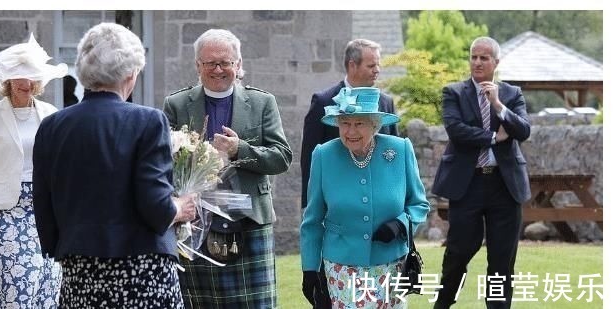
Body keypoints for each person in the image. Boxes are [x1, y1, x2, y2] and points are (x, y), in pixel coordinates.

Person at [32, 22, 197, 308]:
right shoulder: (148, 121)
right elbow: (156, 206)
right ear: (131, 74)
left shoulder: (51, 126)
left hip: (80, 269)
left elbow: (43, 206)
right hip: (141, 270)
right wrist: (181, 207)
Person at [163, 28, 292, 308]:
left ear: (238, 64)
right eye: (210, 63)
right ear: (198, 65)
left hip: (249, 222)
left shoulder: (262, 102)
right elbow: (162, 163)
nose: (218, 69)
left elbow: (282, 157)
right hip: (195, 223)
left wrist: (238, 150)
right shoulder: (176, 104)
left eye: (225, 62)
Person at [300, 86, 430, 308]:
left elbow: (419, 204)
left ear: (375, 125)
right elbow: (312, 221)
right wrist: (310, 270)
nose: (350, 132)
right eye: (345, 123)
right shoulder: (324, 155)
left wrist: (400, 225)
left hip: (391, 265)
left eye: (358, 123)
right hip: (341, 266)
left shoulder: (400, 150)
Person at [0, 33, 67, 308]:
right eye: (19, 76)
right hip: (4, 212)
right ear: (8, 80)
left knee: (45, 278)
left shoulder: (50, 113)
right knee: (18, 278)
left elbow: (57, 163)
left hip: (42, 207)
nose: (26, 83)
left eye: (31, 77)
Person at [431, 37, 531, 309]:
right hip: (468, 184)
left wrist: (498, 105)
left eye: (484, 58)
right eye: (473, 57)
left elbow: (523, 130)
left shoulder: (512, 94)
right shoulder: (454, 92)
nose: (477, 62)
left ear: (496, 63)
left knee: (502, 259)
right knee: (458, 252)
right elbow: (456, 130)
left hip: (505, 186)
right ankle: (442, 304)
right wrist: (493, 137)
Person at [300, 38, 399, 308]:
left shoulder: (385, 102)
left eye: (378, 65)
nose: (377, 70)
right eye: (372, 65)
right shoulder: (323, 101)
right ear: (352, 65)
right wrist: (310, 220)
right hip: (338, 234)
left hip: (383, 240)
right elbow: (309, 166)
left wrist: (400, 222)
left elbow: (397, 165)